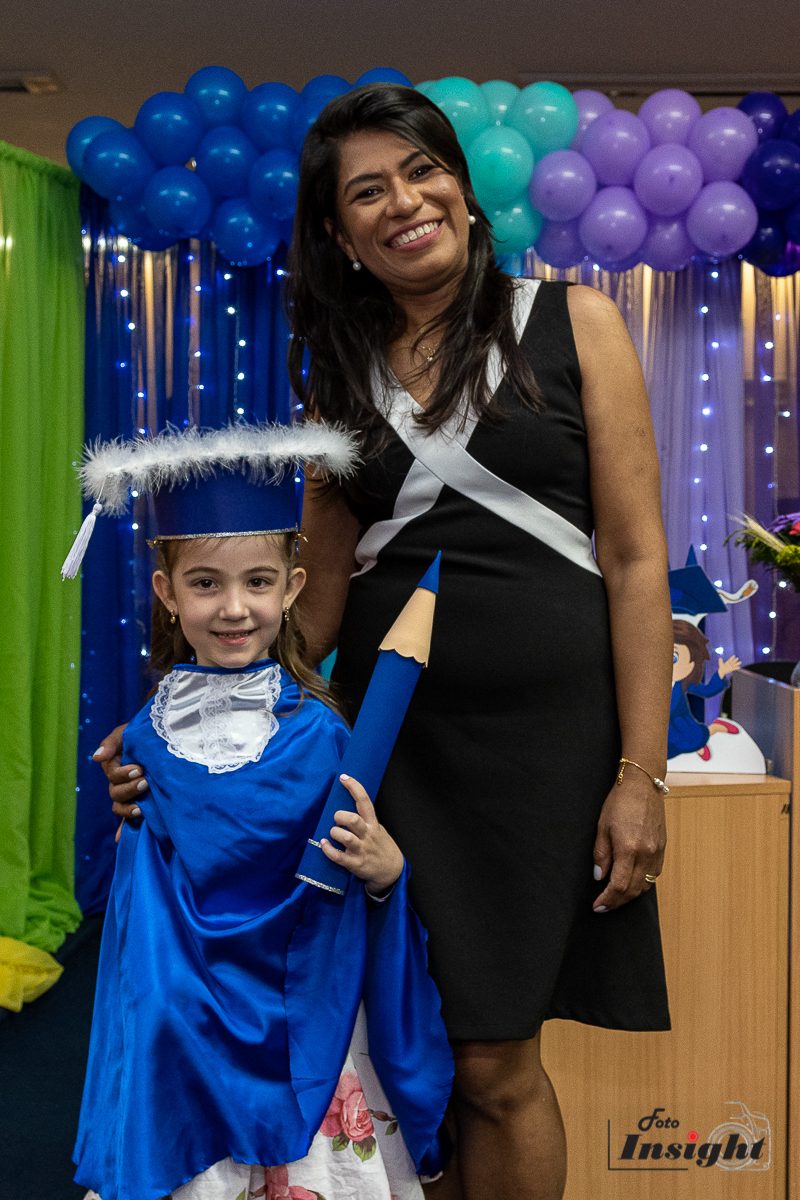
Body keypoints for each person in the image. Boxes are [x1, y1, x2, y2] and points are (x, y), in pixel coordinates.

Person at [99, 84, 674, 1200]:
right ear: (338, 232)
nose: (404, 202)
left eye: (421, 171)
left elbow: (636, 557)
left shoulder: (577, 321)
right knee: (416, 1051)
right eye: (368, 191)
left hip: (543, 749)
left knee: (496, 1061)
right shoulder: (340, 373)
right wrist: (175, 730)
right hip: (387, 745)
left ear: (461, 185)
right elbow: (309, 607)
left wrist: (640, 774)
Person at [72, 424, 453, 1200]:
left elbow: (351, 866)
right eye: (205, 584)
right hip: (183, 1024)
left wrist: (386, 874)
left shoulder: (323, 734)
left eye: (257, 582)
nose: (234, 607)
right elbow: (142, 899)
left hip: (300, 1009)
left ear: (293, 586)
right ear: (167, 594)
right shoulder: (146, 737)